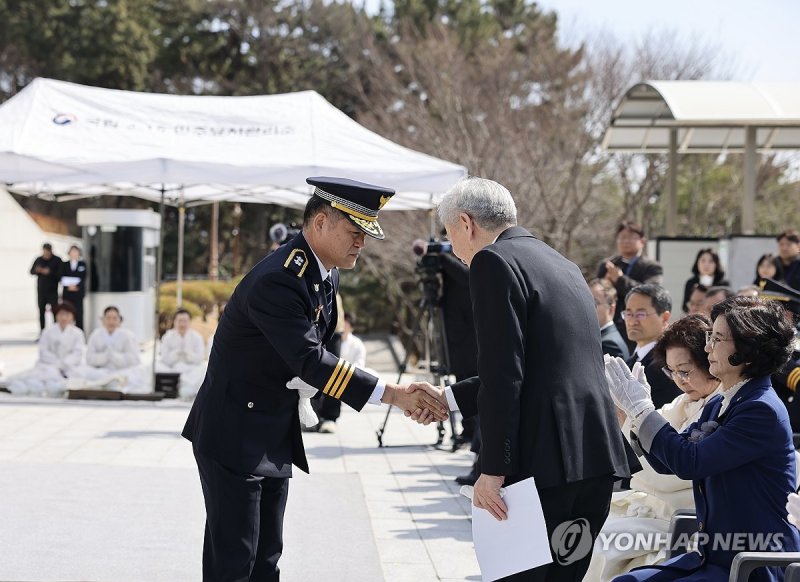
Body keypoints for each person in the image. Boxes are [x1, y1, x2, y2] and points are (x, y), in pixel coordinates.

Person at [181, 177, 448, 581]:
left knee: (266, 558)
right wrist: (394, 394)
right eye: (354, 232)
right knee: (234, 560)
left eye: (365, 234)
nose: (361, 242)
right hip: (234, 430)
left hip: (271, 425)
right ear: (321, 223)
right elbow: (312, 360)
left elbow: (318, 349)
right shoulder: (280, 279)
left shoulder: (326, 273)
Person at [410, 177, 633, 581]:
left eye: (449, 233)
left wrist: (492, 469)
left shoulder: (493, 262)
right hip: (593, 459)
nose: (453, 248)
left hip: (541, 467)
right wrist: (448, 397)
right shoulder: (562, 263)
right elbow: (542, 367)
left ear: (466, 223)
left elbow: (504, 375)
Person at [607, 296, 800, 582]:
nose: (708, 347)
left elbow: (689, 462)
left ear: (747, 350)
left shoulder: (761, 409)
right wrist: (637, 417)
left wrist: (643, 410)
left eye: (718, 339)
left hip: (754, 564)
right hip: (716, 557)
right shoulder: (721, 402)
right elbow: (669, 463)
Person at [586, 315, 722, 581]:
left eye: (685, 370)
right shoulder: (683, 402)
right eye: (671, 372)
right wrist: (630, 414)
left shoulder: (721, 406)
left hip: (684, 517)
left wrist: (638, 413)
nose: (679, 380)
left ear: (709, 362)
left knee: (601, 545)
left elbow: (673, 471)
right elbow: (650, 435)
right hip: (654, 506)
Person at [597, 221, 664, 348]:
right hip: (610, 325)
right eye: (622, 237)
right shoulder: (608, 265)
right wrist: (606, 284)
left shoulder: (652, 267)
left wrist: (620, 280)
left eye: (631, 237)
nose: (625, 241)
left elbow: (650, 292)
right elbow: (597, 293)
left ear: (642, 241)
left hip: (638, 325)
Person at [5, 302, 85, 396]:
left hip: (70, 366)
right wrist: (56, 363)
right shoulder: (47, 331)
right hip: (48, 365)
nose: (64, 318)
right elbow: (43, 351)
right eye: (61, 314)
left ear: (72, 316)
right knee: (43, 378)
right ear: (56, 316)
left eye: (67, 315)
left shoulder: (78, 333)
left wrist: (64, 363)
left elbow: (78, 352)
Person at [623, 284, 682, 409]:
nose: (632, 321)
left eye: (640, 314)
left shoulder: (669, 363)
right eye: (628, 314)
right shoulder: (630, 361)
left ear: (664, 317)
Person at [69, 306, 146, 393]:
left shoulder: (128, 336)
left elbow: (134, 359)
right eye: (108, 318)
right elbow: (89, 358)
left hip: (122, 371)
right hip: (100, 372)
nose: (111, 322)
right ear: (103, 320)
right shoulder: (96, 335)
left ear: (120, 320)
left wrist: (116, 357)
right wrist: (104, 357)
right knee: (79, 372)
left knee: (133, 375)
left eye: (114, 318)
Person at [156, 309, 206, 399]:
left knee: (205, 367)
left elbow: (199, 358)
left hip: (191, 369)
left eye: (185, 321)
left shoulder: (197, 337)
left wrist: (187, 353)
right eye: (179, 321)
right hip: (172, 369)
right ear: (174, 322)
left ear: (189, 322)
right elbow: (164, 358)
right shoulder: (167, 336)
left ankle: (188, 389)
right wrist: (176, 353)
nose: (182, 324)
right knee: (155, 365)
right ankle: (182, 388)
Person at [589, 278, 631, 360]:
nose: (588, 306)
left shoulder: (610, 345)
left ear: (611, 309)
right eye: (586, 301)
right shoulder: (600, 338)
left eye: (595, 302)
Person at [681, 249, 727, 313]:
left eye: (710, 261)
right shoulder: (690, 283)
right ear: (697, 263)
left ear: (716, 264)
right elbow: (684, 306)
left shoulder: (723, 284)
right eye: (703, 260)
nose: (706, 264)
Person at [30, 243, 62, 333]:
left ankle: (56, 331)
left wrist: (49, 272)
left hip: (52, 291)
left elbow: (60, 275)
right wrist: (38, 270)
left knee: (55, 311)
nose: (45, 253)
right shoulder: (39, 259)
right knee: (41, 311)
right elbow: (31, 271)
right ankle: (42, 332)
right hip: (41, 291)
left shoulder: (57, 260)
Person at [60, 245, 87, 330]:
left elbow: (84, 277)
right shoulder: (64, 264)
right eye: (72, 251)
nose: (74, 253)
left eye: (76, 251)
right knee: (66, 313)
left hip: (78, 293)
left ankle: (80, 332)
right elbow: (60, 276)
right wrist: (68, 286)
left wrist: (76, 286)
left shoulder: (82, 264)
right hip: (67, 293)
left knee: (79, 315)